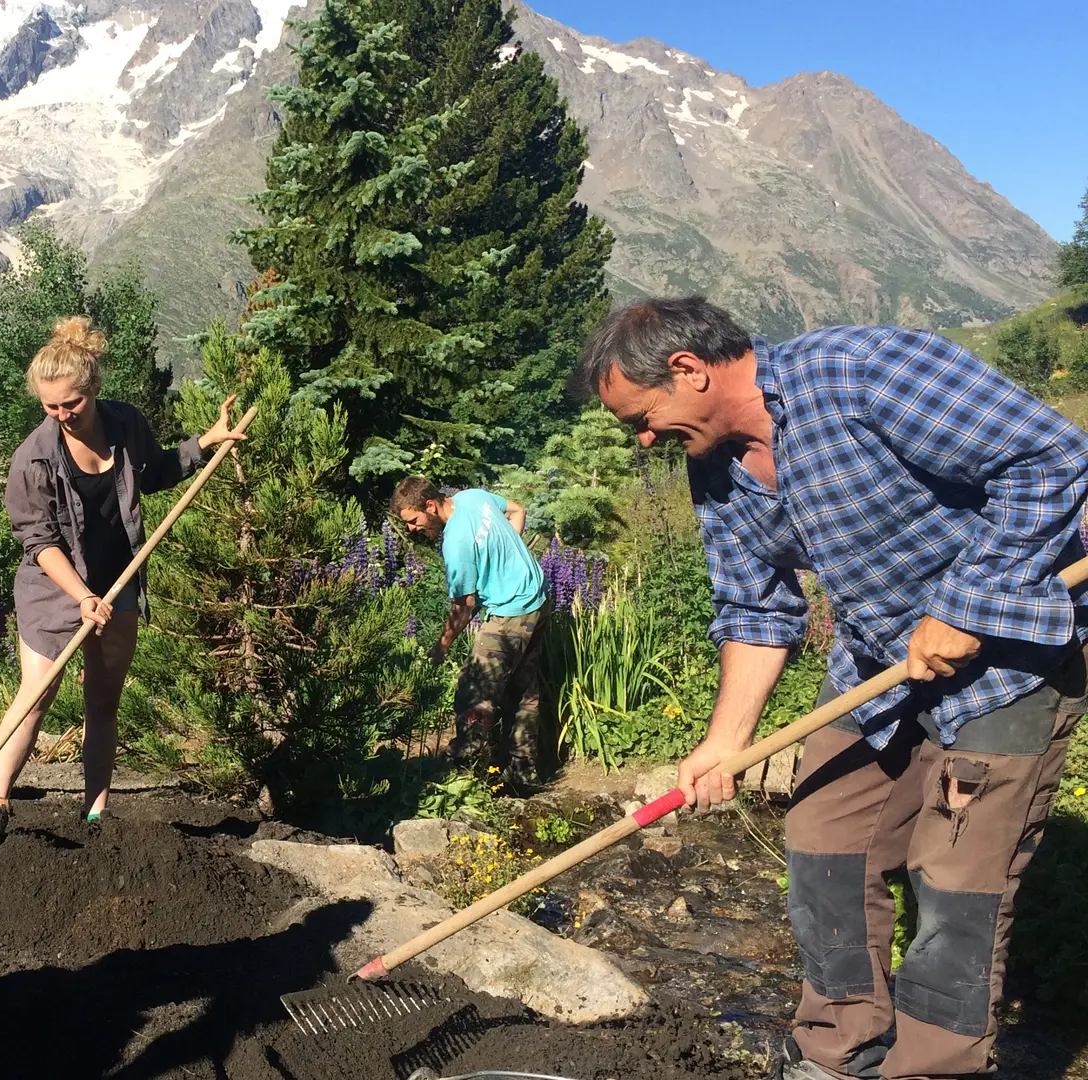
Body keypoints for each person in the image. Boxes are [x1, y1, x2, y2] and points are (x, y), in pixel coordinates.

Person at [577, 296, 1088, 1080]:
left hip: (1009, 662)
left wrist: (967, 601)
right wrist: (724, 743)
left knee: (956, 884)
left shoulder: (858, 372)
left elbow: (1050, 457)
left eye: (643, 418)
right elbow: (753, 608)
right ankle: (837, 1050)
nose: (645, 440)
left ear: (689, 370)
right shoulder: (714, 469)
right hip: (880, 665)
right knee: (822, 840)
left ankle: (932, 1068)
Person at [0, 316, 244, 842]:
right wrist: (82, 596)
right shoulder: (33, 458)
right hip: (53, 589)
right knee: (37, 694)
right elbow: (41, 543)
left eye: (71, 403)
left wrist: (208, 440)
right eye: (50, 406)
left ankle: (95, 814)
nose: (62, 415)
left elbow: (157, 470)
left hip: (121, 582)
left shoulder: (125, 424)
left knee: (102, 700)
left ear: (93, 389)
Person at [391, 477, 551, 781]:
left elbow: (464, 604)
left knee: (474, 691)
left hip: (511, 612)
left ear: (430, 505)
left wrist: (440, 648)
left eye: (413, 520)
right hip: (538, 599)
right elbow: (518, 510)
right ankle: (521, 774)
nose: (411, 528)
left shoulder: (455, 542)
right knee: (523, 691)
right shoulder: (473, 497)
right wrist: (502, 559)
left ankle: (466, 772)